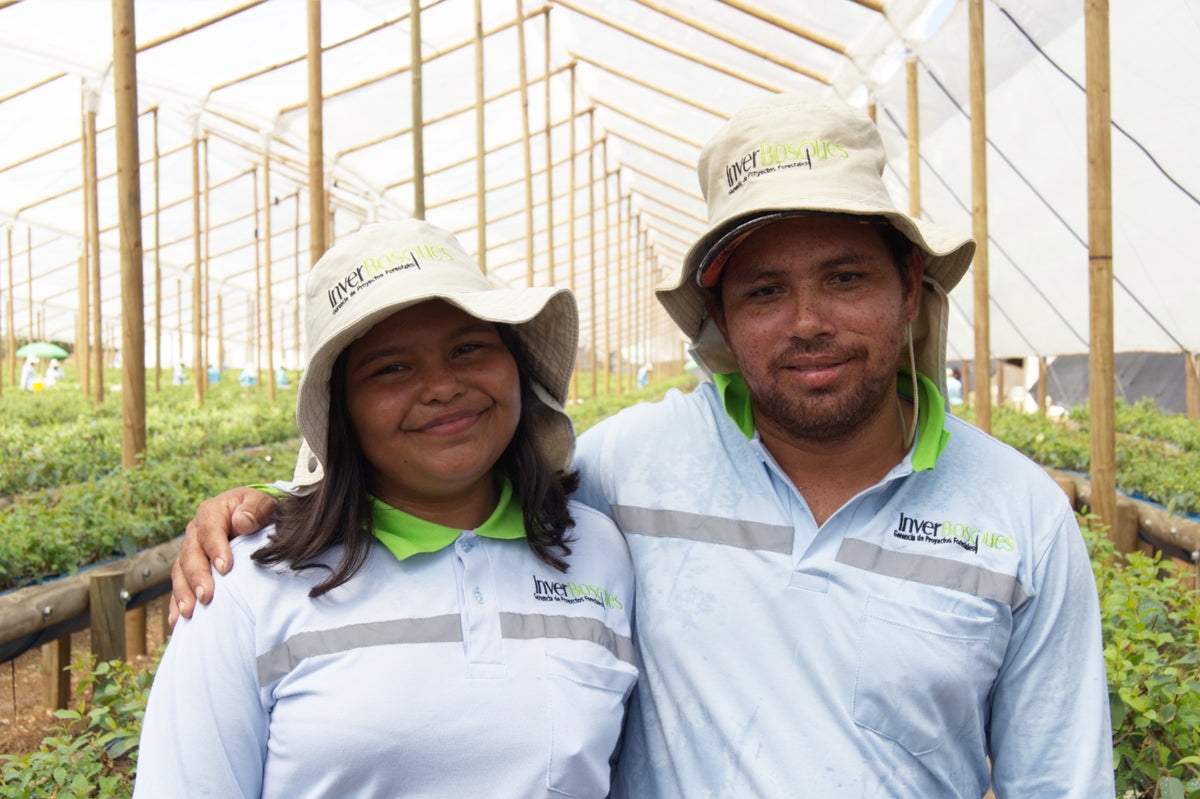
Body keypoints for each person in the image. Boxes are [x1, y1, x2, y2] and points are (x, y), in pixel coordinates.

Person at [171, 94, 1114, 797]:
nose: (808, 322)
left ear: (911, 288)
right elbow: (437, 476)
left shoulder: (1017, 516)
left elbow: (1059, 778)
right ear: (718, 318)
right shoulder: (625, 473)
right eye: (764, 291)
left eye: (845, 277)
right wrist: (262, 514)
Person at [136, 219, 635, 798]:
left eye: (469, 348)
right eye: (391, 368)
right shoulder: (245, 585)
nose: (442, 386)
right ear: (341, 408)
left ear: (516, 366)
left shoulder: (595, 550)